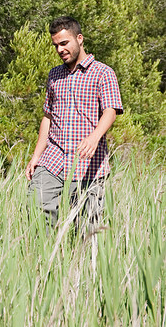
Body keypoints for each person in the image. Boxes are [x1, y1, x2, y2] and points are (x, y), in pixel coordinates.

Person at [25, 16, 123, 232]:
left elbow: (111, 111)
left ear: (79, 39)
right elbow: (48, 117)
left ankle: (80, 265)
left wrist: (94, 137)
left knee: (87, 229)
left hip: (88, 163)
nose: (60, 49)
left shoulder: (103, 73)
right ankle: (43, 261)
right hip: (53, 159)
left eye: (64, 43)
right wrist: (36, 156)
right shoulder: (55, 75)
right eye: (56, 45)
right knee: (35, 210)